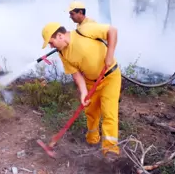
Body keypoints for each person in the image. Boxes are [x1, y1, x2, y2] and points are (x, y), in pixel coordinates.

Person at [41, 22, 121, 162]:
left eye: (51, 42)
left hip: (109, 77)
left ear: (60, 36)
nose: (51, 46)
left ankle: (110, 150)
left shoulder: (84, 30)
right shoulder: (62, 53)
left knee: (109, 112)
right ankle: (92, 139)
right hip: (91, 81)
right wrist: (84, 92)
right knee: (90, 111)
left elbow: (112, 31)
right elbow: (76, 74)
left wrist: (110, 55)